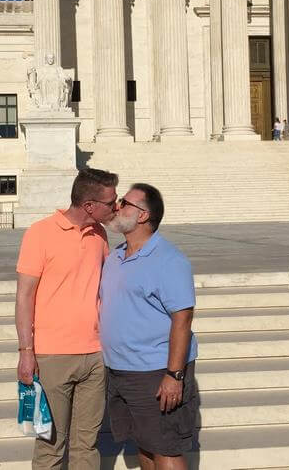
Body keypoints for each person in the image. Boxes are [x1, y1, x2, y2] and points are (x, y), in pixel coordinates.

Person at [15, 167, 119, 470]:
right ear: (89, 205)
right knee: (50, 445)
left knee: (87, 445)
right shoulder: (40, 232)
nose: (116, 206)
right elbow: (24, 296)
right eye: (111, 202)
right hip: (52, 357)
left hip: (95, 355)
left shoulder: (99, 234)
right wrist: (26, 352)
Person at [100, 183, 199, 470]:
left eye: (125, 203)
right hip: (121, 370)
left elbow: (183, 320)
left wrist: (174, 375)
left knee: (166, 449)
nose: (117, 207)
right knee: (143, 445)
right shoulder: (116, 255)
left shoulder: (169, 260)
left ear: (143, 216)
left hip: (156, 371)